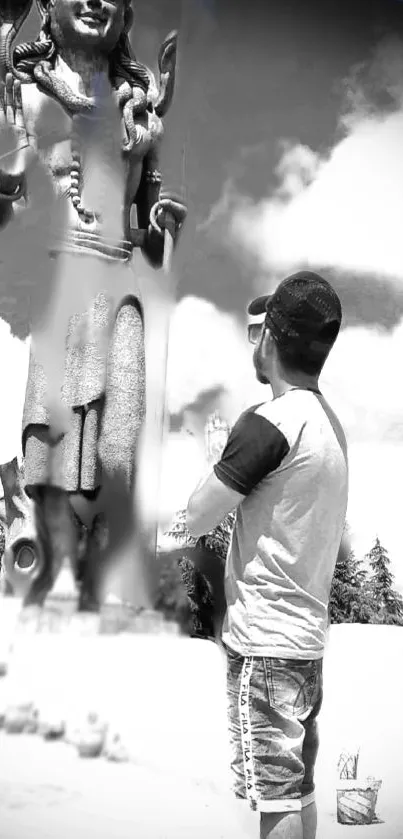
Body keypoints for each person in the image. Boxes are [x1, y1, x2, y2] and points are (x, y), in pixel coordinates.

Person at [0, 0, 186, 606]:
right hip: (58, 289)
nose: (93, 2)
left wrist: (161, 227)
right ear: (50, 9)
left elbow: (150, 236)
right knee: (50, 442)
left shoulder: (142, 112)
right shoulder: (25, 95)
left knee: (117, 442)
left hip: (119, 284)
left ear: (125, 18)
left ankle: (108, 564)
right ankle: (53, 569)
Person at [186, 270, 348, 839]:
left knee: (274, 801)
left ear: (272, 339)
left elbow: (198, 514)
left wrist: (216, 460)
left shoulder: (269, 424)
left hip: (266, 648)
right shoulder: (329, 426)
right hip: (305, 645)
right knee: (297, 791)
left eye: (259, 329)